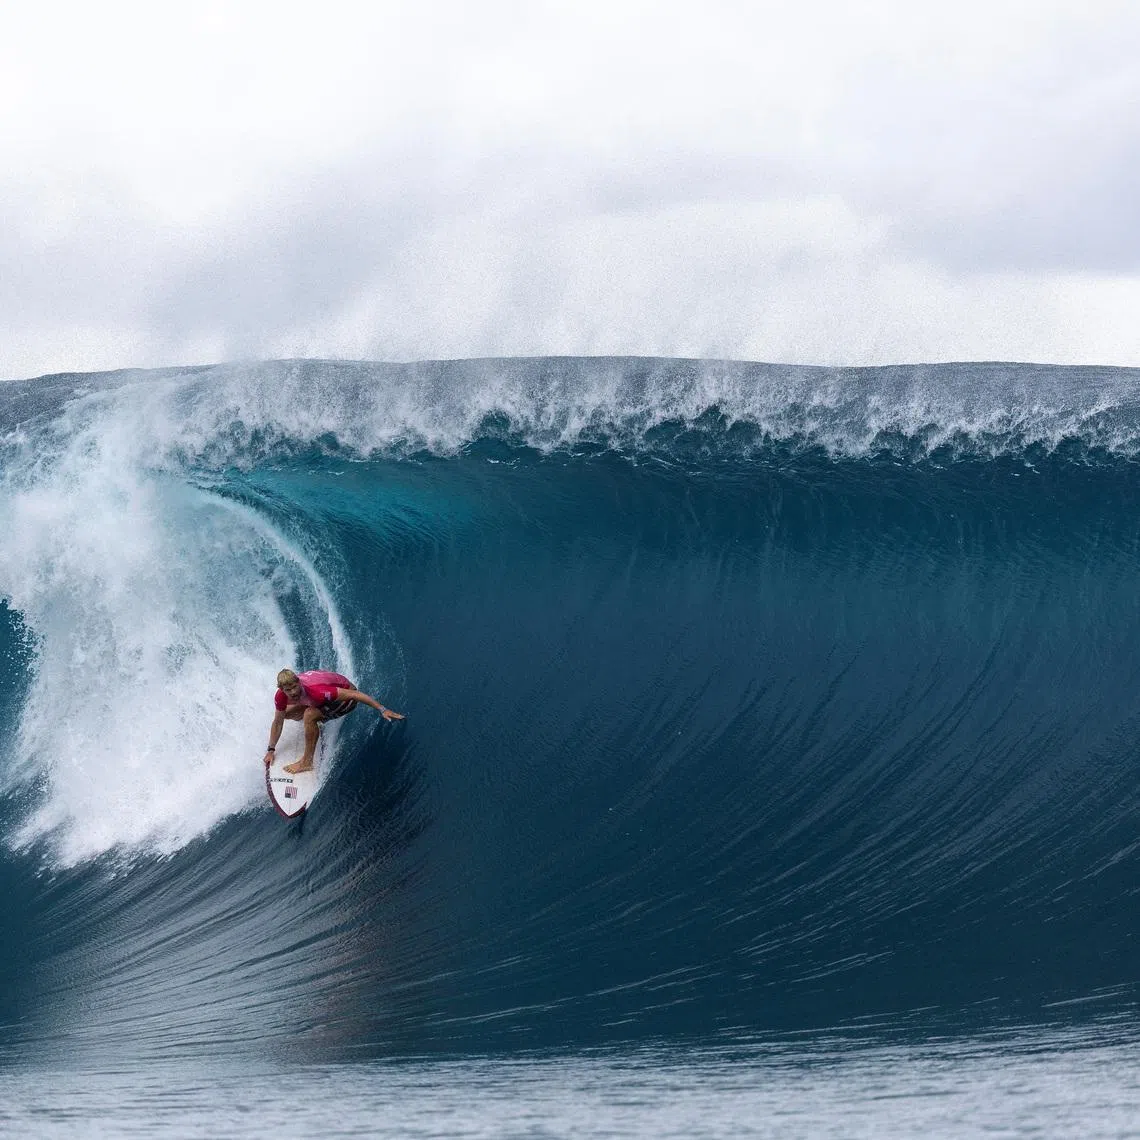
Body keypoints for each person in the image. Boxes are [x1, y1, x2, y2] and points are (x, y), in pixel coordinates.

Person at [263, 668, 405, 774]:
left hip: (347, 699)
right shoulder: (281, 696)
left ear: (298, 682)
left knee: (309, 714)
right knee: (285, 713)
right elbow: (278, 722)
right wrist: (271, 749)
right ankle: (313, 726)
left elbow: (354, 694)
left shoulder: (317, 692)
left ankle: (307, 762)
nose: (293, 692)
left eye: (295, 687)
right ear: (281, 689)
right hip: (320, 697)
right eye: (289, 690)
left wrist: (383, 709)